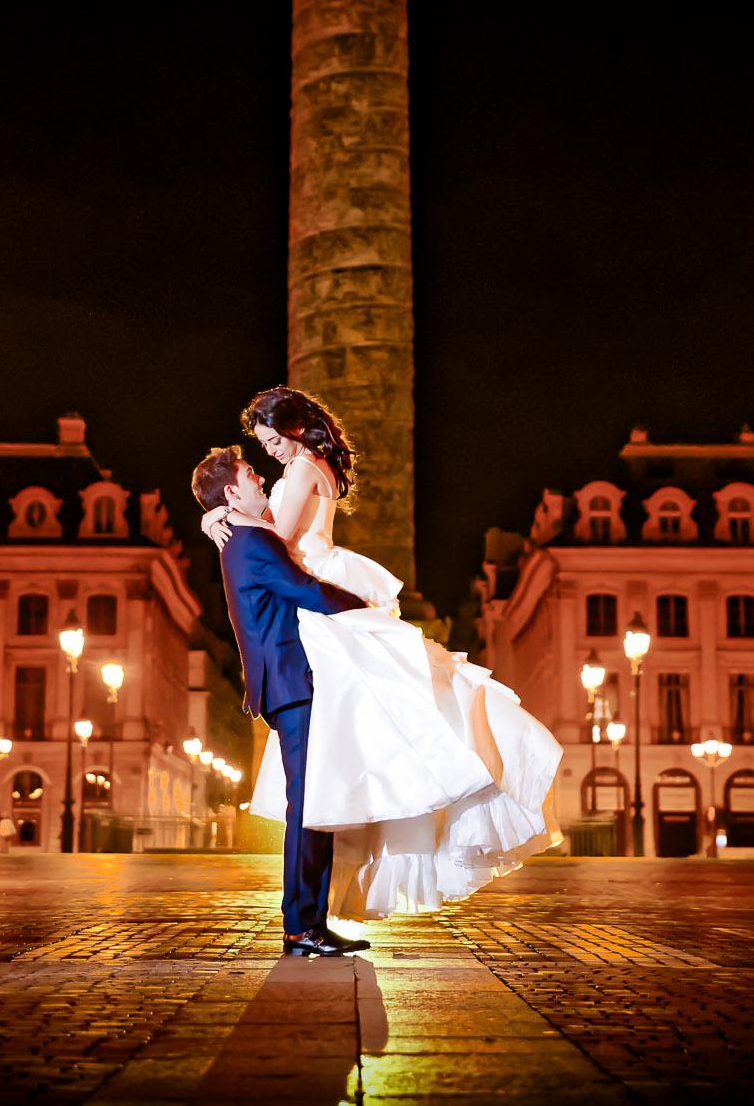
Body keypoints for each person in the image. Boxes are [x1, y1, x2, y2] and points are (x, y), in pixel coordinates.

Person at [204, 385, 562, 920]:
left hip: (317, 599)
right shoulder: (312, 465)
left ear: (296, 428)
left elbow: (276, 540)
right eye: (264, 445)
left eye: (274, 439)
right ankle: (311, 915)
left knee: (335, 770)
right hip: (312, 600)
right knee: (361, 746)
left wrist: (218, 518)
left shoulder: (300, 471)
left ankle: (309, 917)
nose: (270, 453)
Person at [191, 444, 371, 958]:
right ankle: (301, 926)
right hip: (293, 682)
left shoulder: (241, 533)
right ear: (232, 490)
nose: (262, 480)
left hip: (288, 681)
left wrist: (216, 515)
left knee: (314, 798)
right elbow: (305, 589)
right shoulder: (249, 542)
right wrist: (367, 608)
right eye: (251, 474)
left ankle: (310, 920)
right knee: (308, 804)